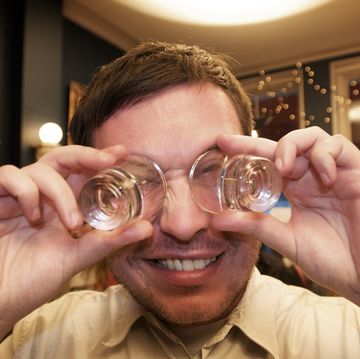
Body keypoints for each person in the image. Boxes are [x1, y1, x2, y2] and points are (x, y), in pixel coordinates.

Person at [1, 41, 360, 358]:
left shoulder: (347, 336)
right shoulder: (35, 343)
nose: (183, 225)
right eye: (138, 181)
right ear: (91, 195)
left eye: (214, 172)